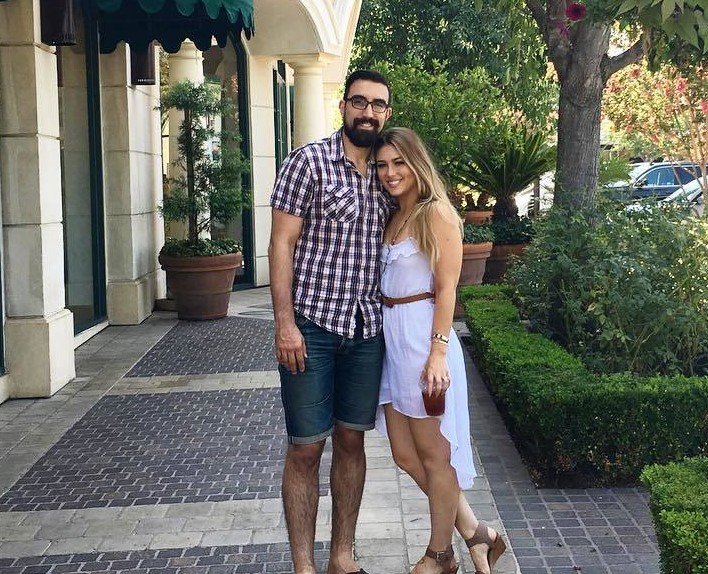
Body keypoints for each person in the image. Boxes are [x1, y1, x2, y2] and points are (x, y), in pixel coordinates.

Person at [268, 69, 393, 574]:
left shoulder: (390, 170)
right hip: (312, 327)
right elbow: (281, 244)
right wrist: (284, 323)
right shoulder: (309, 161)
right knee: (306, 447)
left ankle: (342, 557)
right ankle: (304, 566)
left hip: (367, 330)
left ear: (387, 113)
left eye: (378, 105)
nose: (368, 112)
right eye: (359, 102)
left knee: (351, 440)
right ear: (343, 106)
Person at [373, 127, 507, 574]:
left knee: (436, 457)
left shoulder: (437, 213)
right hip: (393, 343)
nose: (390, 173)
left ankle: (440, 556)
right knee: (405, 455)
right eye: (382, 165)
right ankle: (476, 533)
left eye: (398, 163)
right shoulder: (394, 214)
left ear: (416, 163)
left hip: (423, 343)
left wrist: (437, 353)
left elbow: (448, 288)